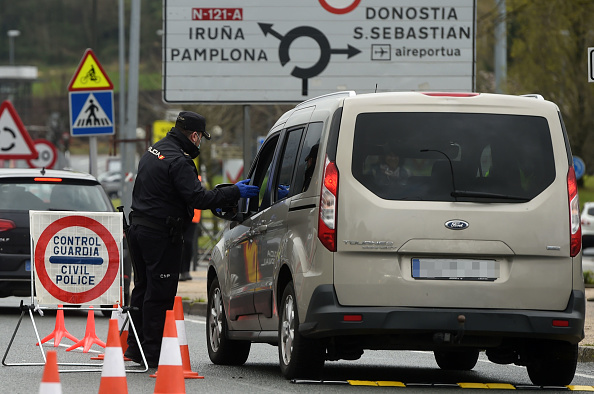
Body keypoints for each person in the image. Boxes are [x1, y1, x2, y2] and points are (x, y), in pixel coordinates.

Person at [124, 111, 259, 367]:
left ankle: (135, 347)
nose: (200, 144)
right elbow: (198, 199)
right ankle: (152, 355)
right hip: (160, 235)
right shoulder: (179, 161)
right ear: (195, 135)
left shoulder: (155, 150)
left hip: (138, 230)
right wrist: (235, 191)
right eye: (200, 139)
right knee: (159, 294)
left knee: (141, 289)